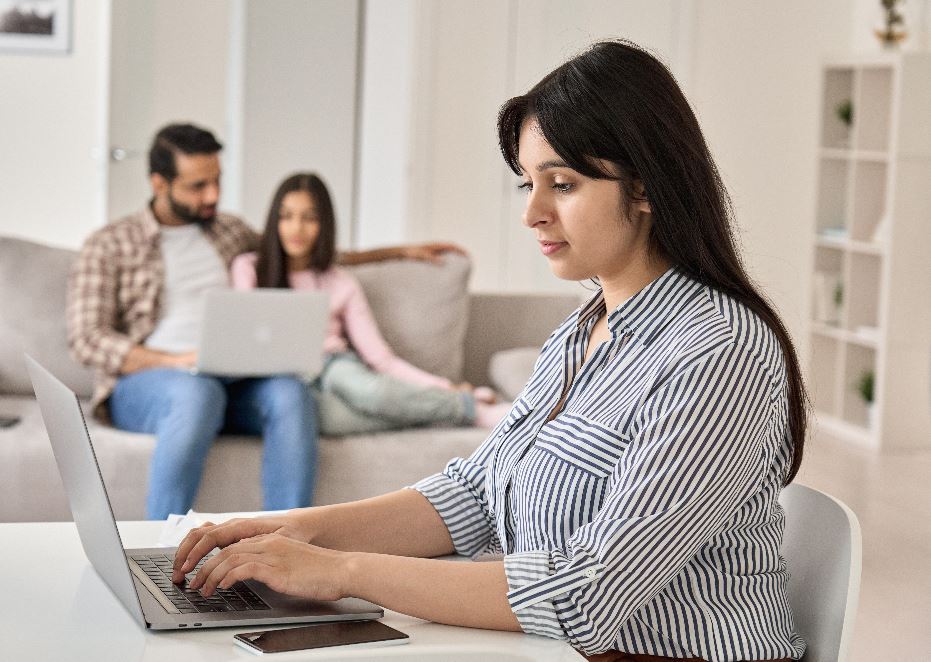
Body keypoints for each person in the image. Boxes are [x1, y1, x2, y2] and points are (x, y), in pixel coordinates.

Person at [171, 41, 807, 662]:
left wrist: (340, 571)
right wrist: (294, 529)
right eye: (527, 183)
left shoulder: (720, 349)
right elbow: (474, 495)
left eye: (561, 183)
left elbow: (588, 596)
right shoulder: (580, 334)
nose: (532, 212)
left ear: (644, 188)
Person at [67, 123, 464, 521]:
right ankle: (158, 550)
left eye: (217, 181)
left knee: (291, 394)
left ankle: (285, 547)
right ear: (159, 183)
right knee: (197, 394)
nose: (213, 196)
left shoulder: (228, 231)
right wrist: (176, 361)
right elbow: (87, 339)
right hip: (154, 383)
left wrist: (397, 251)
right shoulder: (109, 244)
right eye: (197, 186)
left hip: (233, 378)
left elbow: (299, 252)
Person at [230, 172, 509, 434]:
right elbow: (248, 340)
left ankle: (470, 409)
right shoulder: (248, 268)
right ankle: (456, 408)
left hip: (332, 365)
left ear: (324, 224)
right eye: (286, 217)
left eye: (310, 218)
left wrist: (445, 386)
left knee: (372, 393)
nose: (296, 228)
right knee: (322, 417)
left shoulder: (341, 283)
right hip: (284, 380)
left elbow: (381, 359)